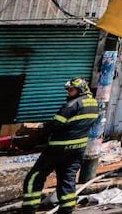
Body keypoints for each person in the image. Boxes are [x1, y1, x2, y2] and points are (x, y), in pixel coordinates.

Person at [22, 78, 100, 214]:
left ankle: (29, 207)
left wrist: (39, 131)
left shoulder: (71, 105)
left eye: (71, 90)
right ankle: (67, 208)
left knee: (35, 176)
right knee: (67, 178)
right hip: (78, 149)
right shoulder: (94, 103)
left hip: (58, 148)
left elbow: (55, 125)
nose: (69, 93)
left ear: (80, 89)